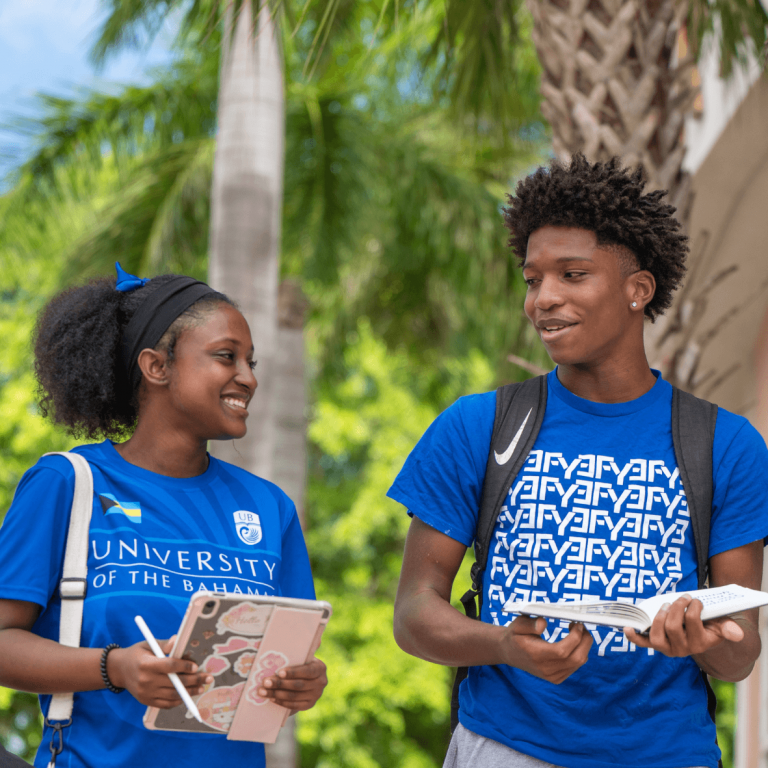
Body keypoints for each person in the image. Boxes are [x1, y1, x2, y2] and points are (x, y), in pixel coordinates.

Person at [389, 154, 768, 768]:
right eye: (533, 279)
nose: (544, 299)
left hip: (669, 754)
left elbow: (740, 652)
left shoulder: (726, 444)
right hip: (505, 747)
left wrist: (701, 640)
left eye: (572, 274)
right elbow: (413, 613)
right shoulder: (478, 426)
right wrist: (504, 645)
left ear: (638, 290)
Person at [0, 266, 327, 768]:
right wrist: (114, 668)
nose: (249, 377)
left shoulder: (269, 507)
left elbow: (284, 660)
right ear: (156, 366)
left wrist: (303, 683)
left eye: (251, 361)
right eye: (226, 356)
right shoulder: (68, 483)